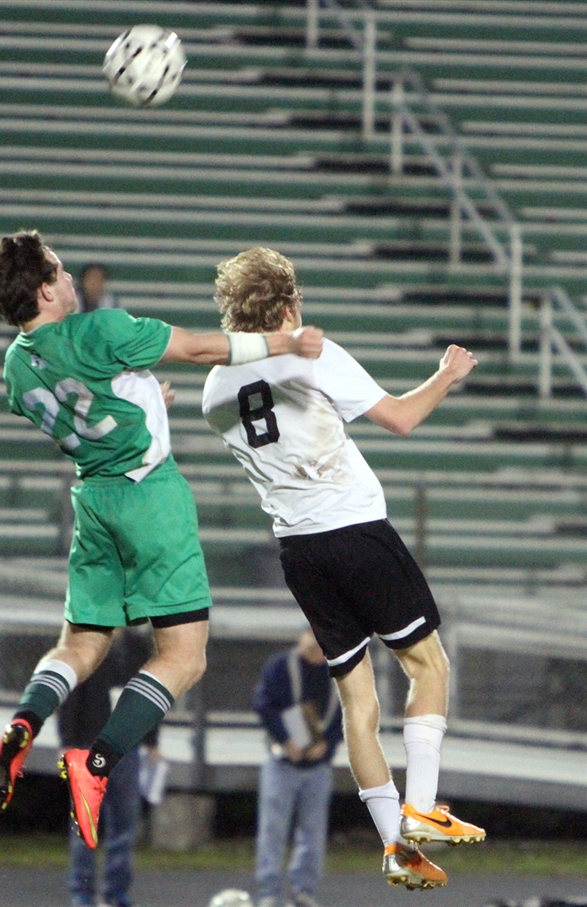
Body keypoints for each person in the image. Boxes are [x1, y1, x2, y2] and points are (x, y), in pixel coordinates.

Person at [0, 231, 323, 850]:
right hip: (149, 498)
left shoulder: (14, 366)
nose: (71, 275)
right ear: (47, 288)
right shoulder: (100, 329)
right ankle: (97, 764)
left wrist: (144, 401)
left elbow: (88, 409)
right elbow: (197, 347)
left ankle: (26, 719)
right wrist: (286, 341)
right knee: (185, 659)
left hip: (94, 501)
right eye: (59, 267)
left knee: (81, 644)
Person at [202, 247, 486, 892]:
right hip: (356, 531)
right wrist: (447, 373)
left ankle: (394, 846)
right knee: (428, 665)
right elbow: (402, 418)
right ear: (287, 305)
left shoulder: (214, 389)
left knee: (358, 700)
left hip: (300, 554)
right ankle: (423, 809)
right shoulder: (310, 355)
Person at [57, 628, 155, 907]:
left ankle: (116, 892)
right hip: (90, 743)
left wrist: (151, 739)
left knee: (124, 824)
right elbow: (71, 691)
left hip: (127, 744)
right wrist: (68, 741)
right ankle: (82, 892)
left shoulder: (138, 646)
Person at [252, 628, 343, 907]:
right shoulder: (282, 666)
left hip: (318, 766)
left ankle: (304, 891)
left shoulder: (338, 672)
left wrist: (327, 744)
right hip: (282, 761)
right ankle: (269, 891)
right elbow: (263, 704)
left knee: (313, 831)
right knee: (273, 829)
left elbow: (348, 713)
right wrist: (286, 739)